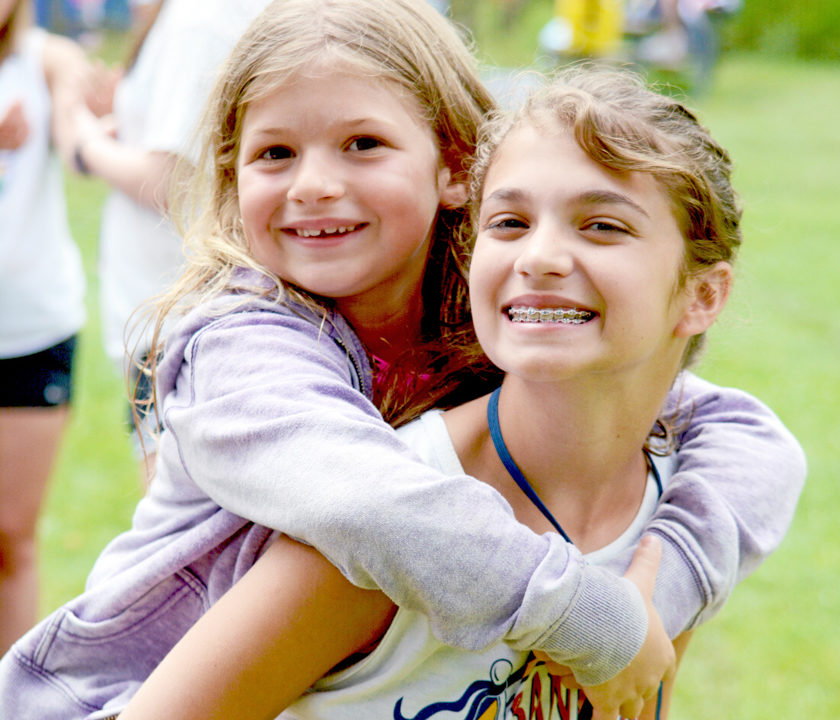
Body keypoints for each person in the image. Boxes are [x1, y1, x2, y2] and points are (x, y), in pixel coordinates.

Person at [0, 1, 804, 717]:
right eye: (274, 155)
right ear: (231, 179)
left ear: (454, 166)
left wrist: (659, 591)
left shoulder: (490, 311)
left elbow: (743, 434)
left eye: (362, 143)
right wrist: (592, 616)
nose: (314, 184)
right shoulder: (237, 344)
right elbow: (365, 504)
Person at [68, 0, 271, 479]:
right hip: (175, 317)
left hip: (179, 322)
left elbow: (168, 182)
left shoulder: (197, 19)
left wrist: (86, 145)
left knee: (180, 545)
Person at [0, 0, 95, 654]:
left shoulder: (44, 61)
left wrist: (82, 117)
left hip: (31, 329)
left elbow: (76, 132)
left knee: (10, 535)